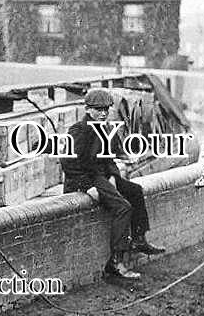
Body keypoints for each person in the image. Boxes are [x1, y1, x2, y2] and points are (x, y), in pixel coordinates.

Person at [61, 88, 165, 279]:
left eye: (106, 110)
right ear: (88, 110)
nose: (103, 114)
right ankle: (116, 261)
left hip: (101, 177)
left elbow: (109, 159)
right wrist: (86, 187)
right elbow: (68, 163)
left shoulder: (106, 129)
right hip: (85, 179)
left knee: (135, 190)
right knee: (123, 207)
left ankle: (139, 239)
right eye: (98, 110)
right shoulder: (78, 130)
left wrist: (114, 177)